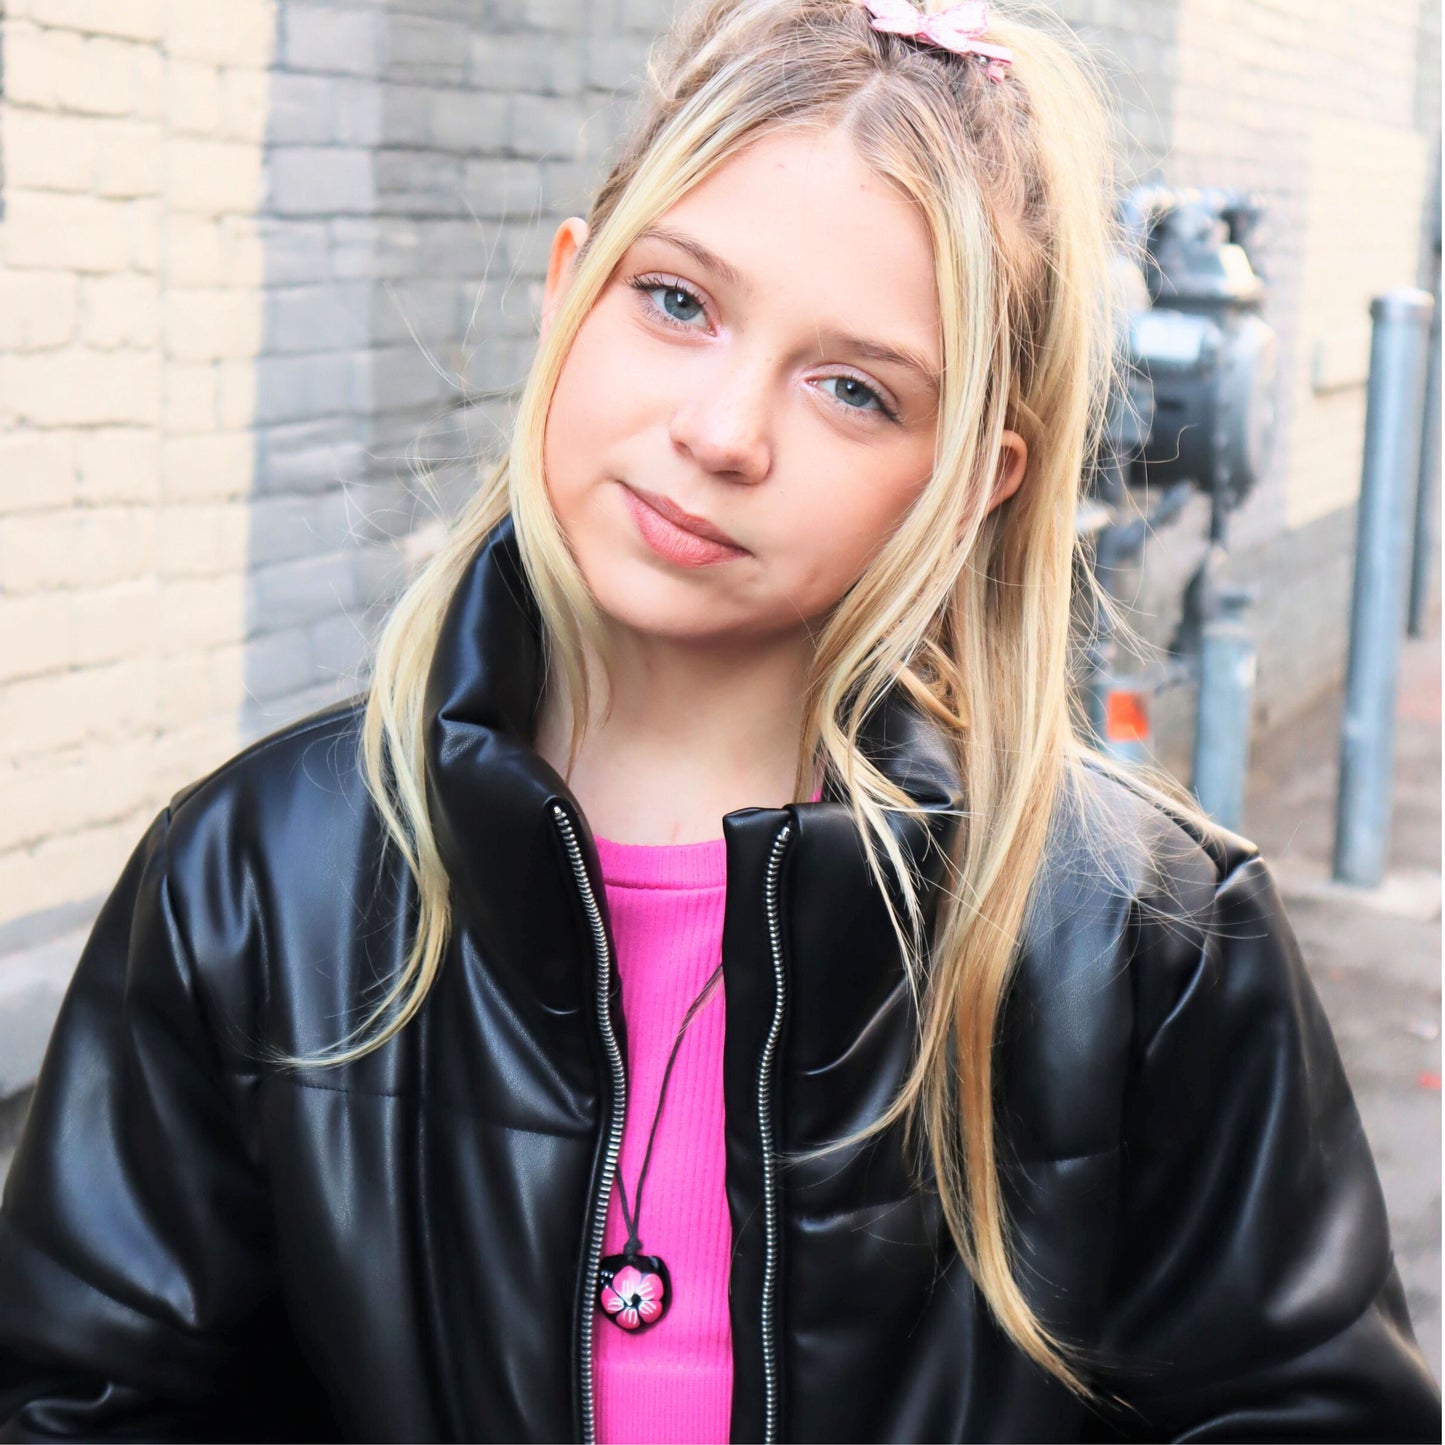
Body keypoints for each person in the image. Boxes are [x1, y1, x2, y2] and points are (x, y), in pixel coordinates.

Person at [1, 0, 1439, 1439]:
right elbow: (86, 1399)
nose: (723, 429)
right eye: (677, 302)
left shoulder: (1139, 940)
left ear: (975, 479)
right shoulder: (249, 879)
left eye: (853, 390)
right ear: (570, 290)